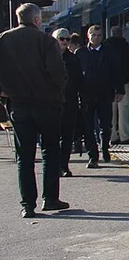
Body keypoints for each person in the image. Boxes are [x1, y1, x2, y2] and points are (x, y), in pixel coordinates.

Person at [0, 4, 69, 218]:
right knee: (50, 151)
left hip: (18, 104)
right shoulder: (46, 41)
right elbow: (58, 74)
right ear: (37, 20)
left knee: (24, 155)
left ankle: (27, 204)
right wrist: (56, 91)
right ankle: (50, 198)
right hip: (47, 104)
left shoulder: (3, 39)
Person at [77, 24, 121, 167]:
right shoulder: (81, 53)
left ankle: (104, 147)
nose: (96, 38)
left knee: (106, 125)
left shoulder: (110, 52)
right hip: (86, 95)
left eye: (99, 35)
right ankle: (93, 156)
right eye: (93, 35)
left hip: (105, 94)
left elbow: (117, 72)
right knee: (88, 127)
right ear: (88, 36)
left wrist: (119, 90)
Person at [53, 28, 83, 177]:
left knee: (67, 137)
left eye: (67, 39)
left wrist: (82, 100)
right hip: (52, 104)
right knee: (53, 137)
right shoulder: (48, 57)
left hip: (69, 103)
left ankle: (64, 165)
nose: (64, 42)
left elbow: (80, 81)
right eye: (61, 39)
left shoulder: (74, 59)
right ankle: (54, 165)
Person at [106, 25, 129, 147]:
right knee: (124, 112)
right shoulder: (127, 48)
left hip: (109, 85)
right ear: (121, 34)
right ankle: (125, 136)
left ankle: (112, 136)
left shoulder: (105, 48)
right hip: (125, 84)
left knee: (111, 114)